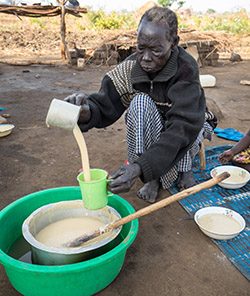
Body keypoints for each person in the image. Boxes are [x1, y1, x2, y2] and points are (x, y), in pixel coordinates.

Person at [64, 6, 216, 203]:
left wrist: (138, 167)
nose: (145, 57)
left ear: (174, 43)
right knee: (139, 103)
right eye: (141, 48)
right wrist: (85, 111)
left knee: (190, 124)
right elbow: (104, 102)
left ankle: (184, 169)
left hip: (185, 125)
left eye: (155, 50)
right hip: (154, 124)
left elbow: (182, 127)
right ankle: (152, 178)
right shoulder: (131, 68)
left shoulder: (185, 70)